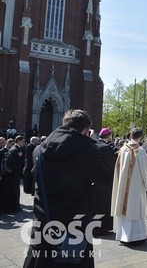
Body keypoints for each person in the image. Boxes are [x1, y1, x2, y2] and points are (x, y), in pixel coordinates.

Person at [23, 109, 113, 267]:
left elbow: (31, 181)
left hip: (44, 222)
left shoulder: (39, 150)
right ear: (86, 130)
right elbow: (105, 179)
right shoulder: (87, 150)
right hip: (74, 225)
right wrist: (92, 143)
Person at [111, 128, 147, 246]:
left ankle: (123, 235)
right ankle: (136, 236)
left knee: (126, 208)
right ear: (140, 137)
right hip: (136, 187)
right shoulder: (140, 151)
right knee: (136, 208)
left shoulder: (122, 149)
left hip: (123, 186)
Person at [92, 127, 117, 235]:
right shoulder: (106, 148)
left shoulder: (94, 145)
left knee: (96, 205)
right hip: (105, 181)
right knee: (104, 205)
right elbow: (111, 165)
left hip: (94, 180)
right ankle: (103, 228)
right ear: (109, 136)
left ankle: (95, 227)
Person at [1, 134, 26, 213]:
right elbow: (15, 163)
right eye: (23, 141)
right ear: (18, 141)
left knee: (11, 191)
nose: (24, 143)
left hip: (11, 174)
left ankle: (11, 207)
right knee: (14, 191)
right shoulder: (16, 150)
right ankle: (14, 208)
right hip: (14, 174)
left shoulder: (12, 148)